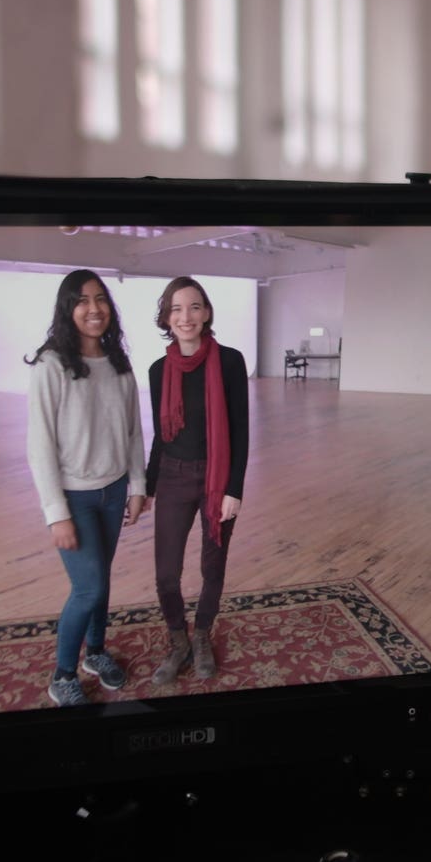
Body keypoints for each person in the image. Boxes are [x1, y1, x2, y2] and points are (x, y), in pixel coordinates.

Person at [24, 272, 147, 707]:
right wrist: (55, 512)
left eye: (100, 300)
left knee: (101, 580)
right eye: (82, 301)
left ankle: (95, 653)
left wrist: (138, 485)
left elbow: (133, 432)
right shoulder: (51, 364)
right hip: (74, 497)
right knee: (88, 588)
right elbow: (39, 446)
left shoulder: (118, 363)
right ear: (67, 309)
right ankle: (62, 675)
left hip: (113, 492)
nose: (93, 309)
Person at [143, 278, 250, 686]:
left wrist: (234, 489)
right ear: (166, 317)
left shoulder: (230, 362)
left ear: (206, 312)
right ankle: (178, 641)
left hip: (216, 477)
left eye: (194, 307)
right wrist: (148, 488)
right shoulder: (158, 371)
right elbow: (160, 435)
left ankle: (202, 635)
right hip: (172, 475)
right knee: (166, 573)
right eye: (176, 309)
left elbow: (239, 429)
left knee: (212, 566)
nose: (185, 317)